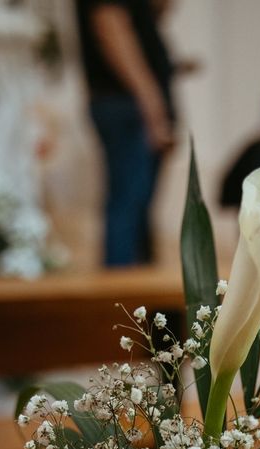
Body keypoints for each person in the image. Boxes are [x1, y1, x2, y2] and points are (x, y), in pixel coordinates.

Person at [76, 0, 175, 266]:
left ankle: (139, 300)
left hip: (130, 103)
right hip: (126, 105)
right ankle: (121, 302)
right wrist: (151, 103)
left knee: (137, 211)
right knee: (127, 209)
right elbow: (110, 24)